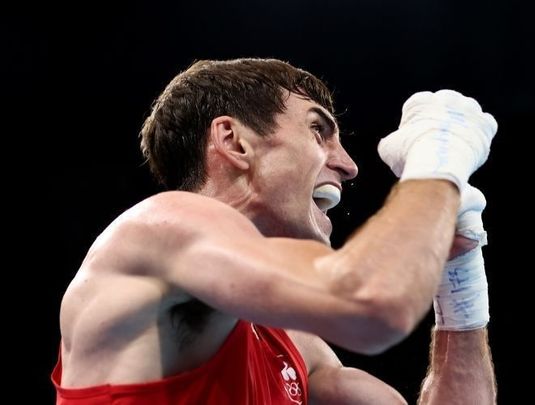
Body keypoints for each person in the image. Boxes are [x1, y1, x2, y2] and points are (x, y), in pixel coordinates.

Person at [52, 58, 498, 404]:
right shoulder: (160, 227)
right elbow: (373, 304)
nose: (348, 164)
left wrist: (459, 279)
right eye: (318, 130)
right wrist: (438, 164)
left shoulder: (295, 344)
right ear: (234, 142)